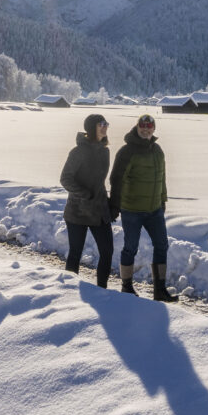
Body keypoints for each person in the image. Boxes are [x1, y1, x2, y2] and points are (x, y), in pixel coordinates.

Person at [108, 113, 177, 301]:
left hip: (154, 209)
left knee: (162, 245)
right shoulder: (127, 151)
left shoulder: (157, 150)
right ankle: (126, 287)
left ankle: (159, 290)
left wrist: (162, 200)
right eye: (142, 126)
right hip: (132, 210)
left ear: (153, 129)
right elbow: (116, 179)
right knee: (131, 247)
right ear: (137, 127)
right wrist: (115, 205)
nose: (146, 129)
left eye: (149, 126)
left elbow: (161, 178)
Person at [59, 113, 114, 285]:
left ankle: (102, 290)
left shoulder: (105, 151)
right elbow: (65, 178)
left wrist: (110, 203)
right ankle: (68, 288)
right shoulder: (79, 151)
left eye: (106, 124)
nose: (105, 127)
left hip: (99, 211)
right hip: (78, 212)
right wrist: (85, 194)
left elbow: (100, 181)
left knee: (107, 251)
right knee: (75, 252)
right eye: (101, 124)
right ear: (92, 128)